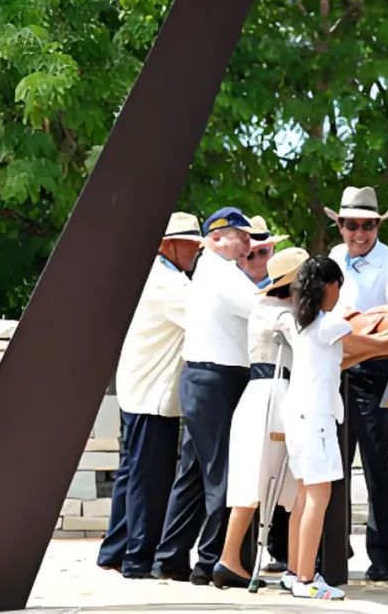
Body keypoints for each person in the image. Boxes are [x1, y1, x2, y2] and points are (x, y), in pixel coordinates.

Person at [153, 207, 258, 584]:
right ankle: (213, 560)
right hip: (217, 379)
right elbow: (260, 309)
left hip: (205, 378)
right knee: (221, 474)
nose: (247, 241)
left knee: (195, 473)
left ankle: (171, 558)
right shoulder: (222, 273)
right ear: (215, 238)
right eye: (239, 235)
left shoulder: (212, 271)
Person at [97, 212, 202, 579]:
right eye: (190, 242)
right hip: (153, 395)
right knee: (149, 478)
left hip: (140, 389)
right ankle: (137, 559)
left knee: (132, 474)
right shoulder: (168, 284)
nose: (196, 249)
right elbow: (206, 319)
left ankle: (116, 549)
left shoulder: (160, 277)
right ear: (168, 245)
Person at [283, 255, 388, 599]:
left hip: (298, 416)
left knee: (304, 496)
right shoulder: (330, 325)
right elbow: (375, 345)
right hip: (315, 419)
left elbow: (345, 357)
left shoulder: (301, 323)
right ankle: (305, 579)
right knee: (319, 495)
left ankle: (293, 572)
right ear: (329, 286)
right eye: (339, 286)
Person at [325, 186, 388, 581]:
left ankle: (383, 556)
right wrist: (366, 321)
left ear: (377, 226)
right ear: (340, 225)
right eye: (352, 224)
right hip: (337, 370)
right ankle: (334, 546)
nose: (360, 233)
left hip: (375, 373)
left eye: (368, 225)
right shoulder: (334, 258)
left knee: (376, 464)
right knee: (334, 463)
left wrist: (356, 329)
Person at [213, 247, 307, 589]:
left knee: (253, 481)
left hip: (261, 394)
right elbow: (307, 341)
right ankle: (294, 565)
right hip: (275, 395)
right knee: (288, 483)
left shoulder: (267, 309)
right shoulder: (281, 314)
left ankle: (230, 558)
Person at [240, 215, 288, 288]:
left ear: (273, 251)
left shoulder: (288, 283)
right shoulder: (231, 283)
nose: (257, 261)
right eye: (249, 256)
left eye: (263, 252)